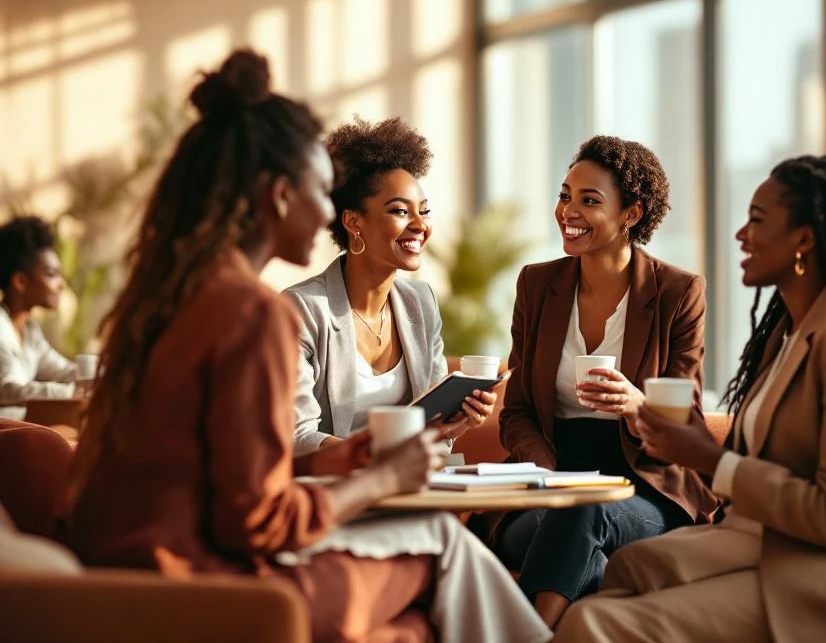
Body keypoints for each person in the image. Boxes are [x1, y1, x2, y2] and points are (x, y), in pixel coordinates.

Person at [65, 49, 551, 643]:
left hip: (127, 570)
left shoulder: (167, 298)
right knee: (445, 541)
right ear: (278, 196)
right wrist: (379, 480)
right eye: (322, 193)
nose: (327, 211)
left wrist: (352, 456)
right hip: (203, 583)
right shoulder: (260, 313)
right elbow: (257, 522)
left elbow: (232, 468)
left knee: (435, 567)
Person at [555, 154, 826, 643]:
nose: (740, 235)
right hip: (774, 541)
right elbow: (759, 471)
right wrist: (688, 450)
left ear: (804, 240)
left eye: (758, 221)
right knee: (632, 568)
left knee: (590, 621)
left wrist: (706, 456)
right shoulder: (790, 332)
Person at [489, 135, 719, 628]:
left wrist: (637, 405)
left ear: (630, 215)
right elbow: (518, 410)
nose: (568, 210)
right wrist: (543, 470)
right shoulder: (536, 284)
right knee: (573, 532)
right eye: (565, 194)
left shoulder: (679, 293)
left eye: (589, 201)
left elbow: (687, 419)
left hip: (646, 489)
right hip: (550, 486)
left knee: (584, 514)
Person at [286, 116, 496, 462]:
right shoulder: (302, 310)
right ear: (354, 222)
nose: (419, 225)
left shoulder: (420, 303)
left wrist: (454, 426)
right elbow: (298, 436)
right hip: (337, 493)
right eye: (400, 211)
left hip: (407, 486)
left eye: (424, 211)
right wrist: (379, 459)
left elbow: (432, 435)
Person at [0, 216, 81, 419]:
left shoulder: (30, 333)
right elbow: (8, 389)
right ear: (20, 282)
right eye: (52, 274)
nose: (61, 284)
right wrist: (69, 393)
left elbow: (65, 371)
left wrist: (107, 372)